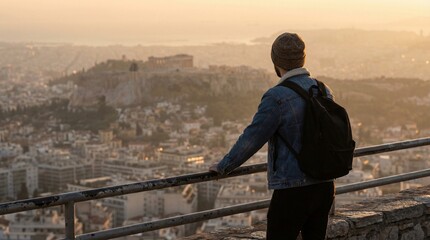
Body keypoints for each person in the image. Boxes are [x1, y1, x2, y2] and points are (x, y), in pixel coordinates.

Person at [209, 32, 335, 240]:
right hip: (324, 185)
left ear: (276, 62)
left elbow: (253, 137)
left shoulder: (276, 97)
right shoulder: (323, 89)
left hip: (293, 190)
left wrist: (224, 165)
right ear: (302, 59)